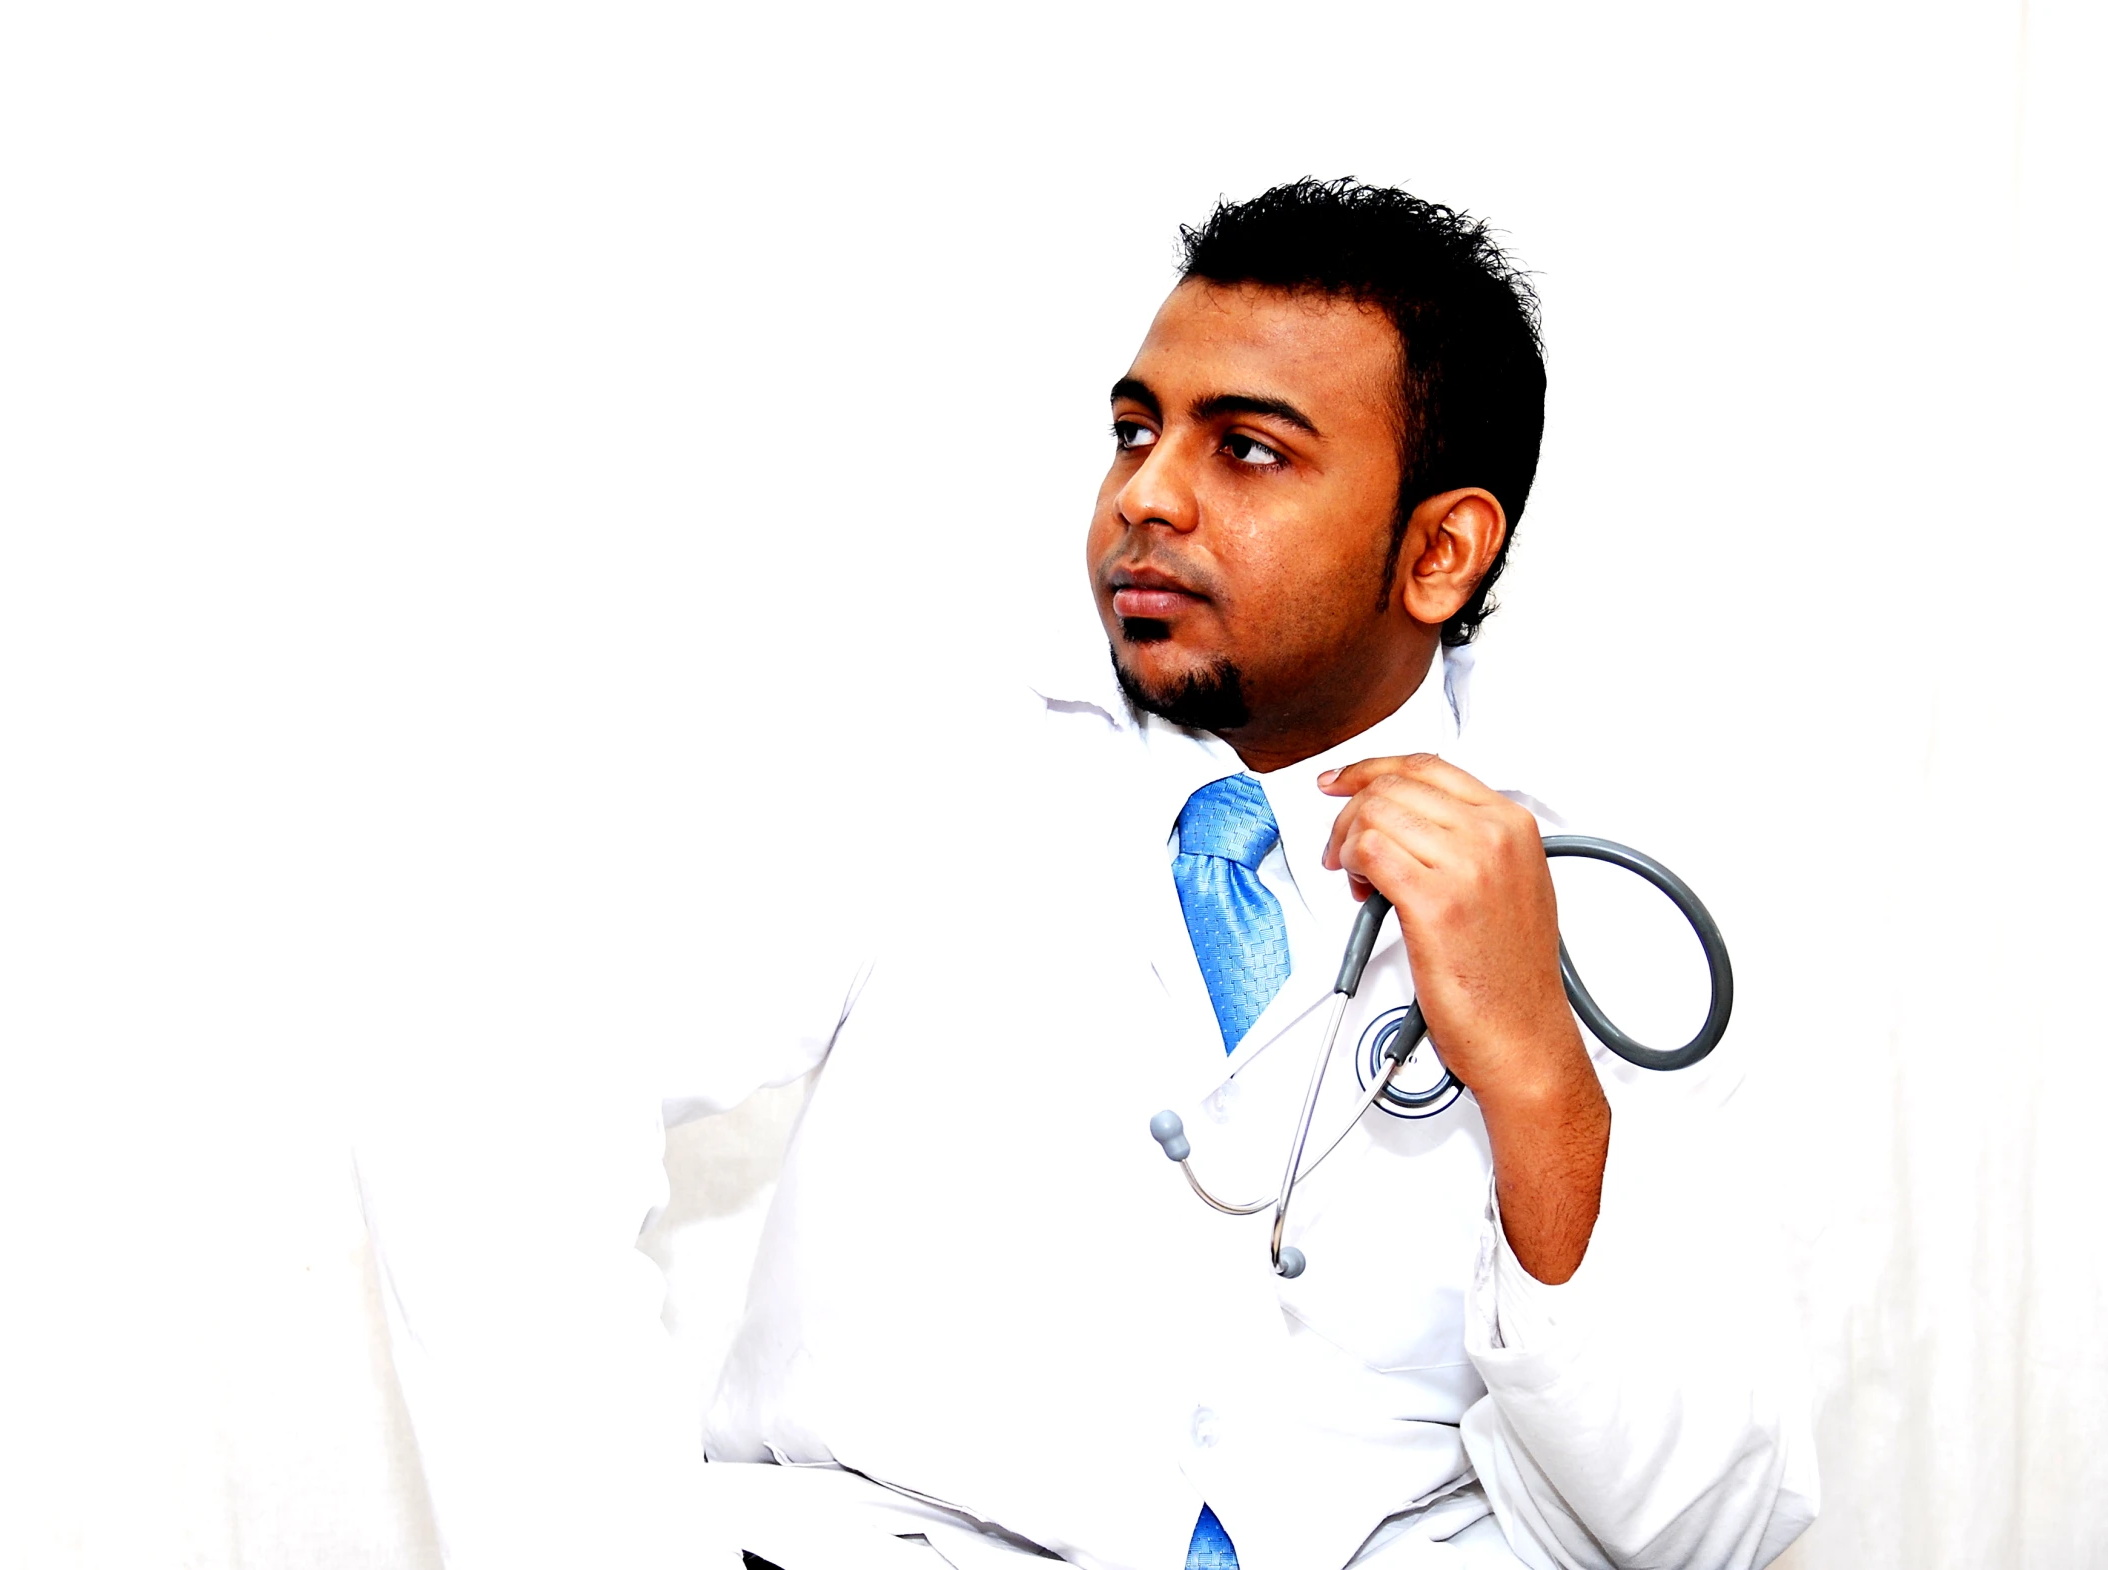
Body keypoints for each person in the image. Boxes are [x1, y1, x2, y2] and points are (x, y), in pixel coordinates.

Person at [382, 176, 1820, 1570]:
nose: (1150, 496)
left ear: (1439, 549)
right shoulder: (919, 758)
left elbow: (1704, 1530)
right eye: (1137, 431)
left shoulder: (1622, 921)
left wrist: (1536, 1081)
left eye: (1246, 448)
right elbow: (494, 1092)